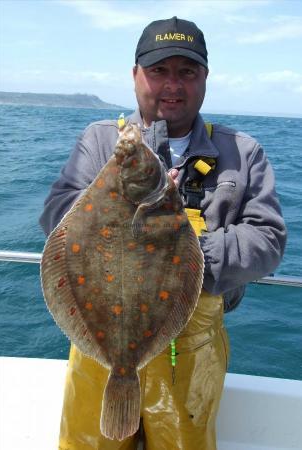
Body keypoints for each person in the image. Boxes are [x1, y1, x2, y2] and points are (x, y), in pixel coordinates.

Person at [40, 16, 286, 450]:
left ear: (205, 78)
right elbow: (57, 214)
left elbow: (267, 238)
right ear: (136, 75)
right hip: (100, 351)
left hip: (193, 356)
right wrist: (122, 215)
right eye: (159, 71)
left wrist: (182, 255)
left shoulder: (242, 152)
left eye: (186, 72)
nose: (172, 84)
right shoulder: (99, 142)